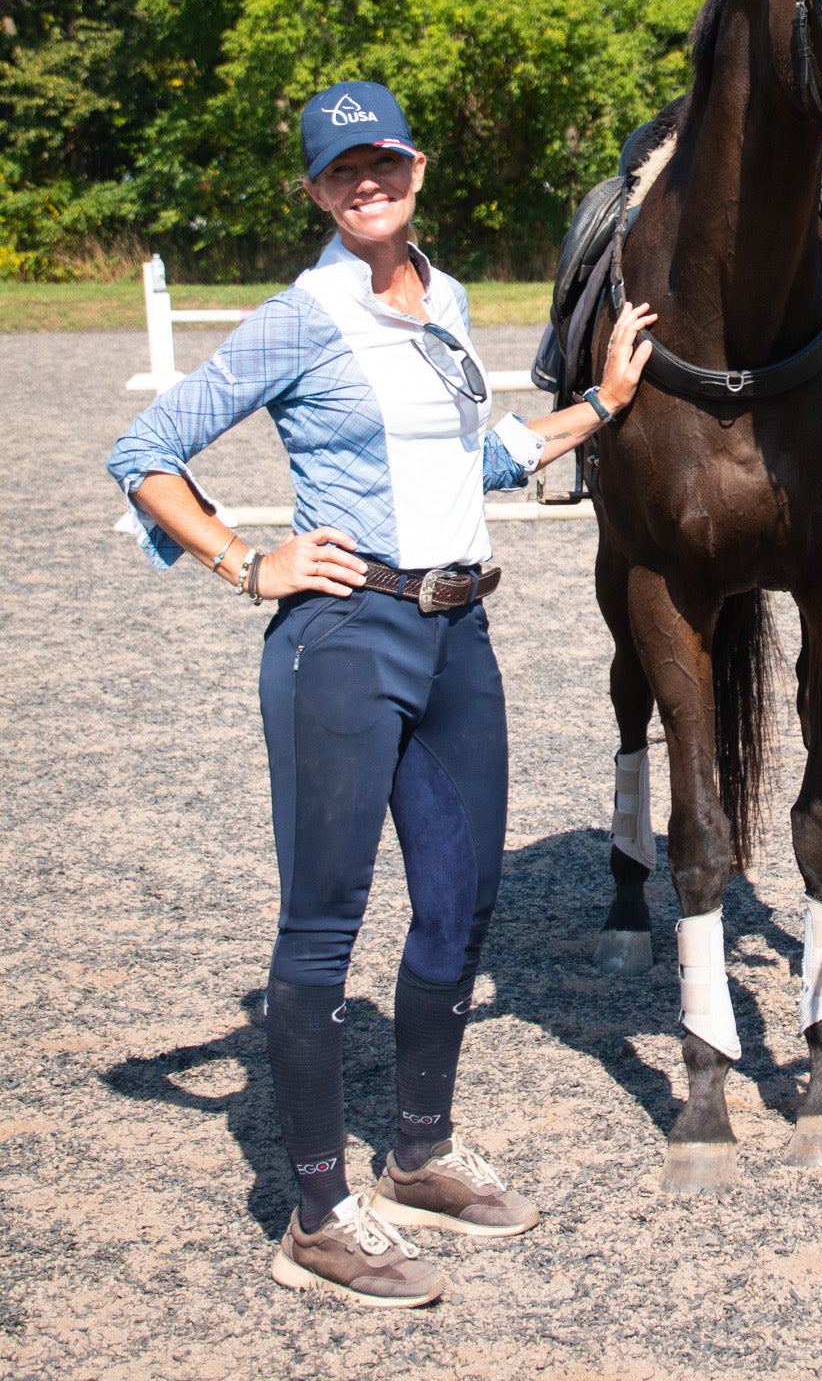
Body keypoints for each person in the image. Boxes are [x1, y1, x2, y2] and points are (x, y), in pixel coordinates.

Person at [108, 81, 655, 1309]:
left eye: (384, 161)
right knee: (325, 924)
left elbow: (477, 457)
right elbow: (145, 452)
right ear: (316, 190)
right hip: (344, 641)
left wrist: (605, 405)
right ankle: (315, 1210)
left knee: (463, 906)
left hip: (461, 633)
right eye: (340, 170)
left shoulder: (448, 299)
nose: (368, 183)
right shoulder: (298, 319)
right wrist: (249, 562)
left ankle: (417, 1150)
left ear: (415, 166)